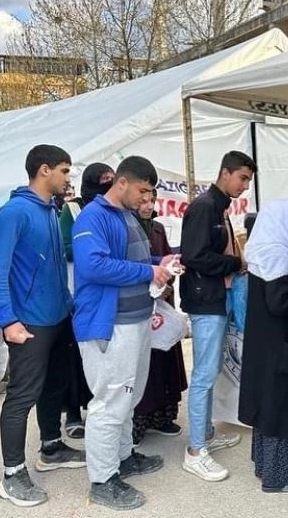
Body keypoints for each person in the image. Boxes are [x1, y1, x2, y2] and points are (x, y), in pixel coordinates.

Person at [0, 144, 85, 508]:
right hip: (28, 322)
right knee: (22, 396)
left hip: (58, 316)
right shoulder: (13, 213)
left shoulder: (51, 210)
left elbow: (53, 265)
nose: (68, 178)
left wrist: (68, 304)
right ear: (45, 170)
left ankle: (51, 447)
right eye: (64, 170)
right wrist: (7, 320)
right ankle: (12, 474)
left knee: (54, 386)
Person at [73, 156, 171, 510]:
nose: (147, 199)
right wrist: (149, 273)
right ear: (122, 182)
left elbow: (135, 262)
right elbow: (92, 265)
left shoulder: (125, 216)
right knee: (109, 402)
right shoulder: (93, 217)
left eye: (151, 193)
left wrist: (160, 264)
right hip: (109, 324)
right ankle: (103, 480)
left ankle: (124, 457)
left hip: (135, 320)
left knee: (129, 396)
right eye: (143, 190)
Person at [179, 150, 255, 482]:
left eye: (248, 180)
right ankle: (195, 451)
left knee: (210, 373)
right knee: (204, 375)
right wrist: (236, 263)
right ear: (225, 173)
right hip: (205, 300)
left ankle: (206, 433)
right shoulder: (204, 207)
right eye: (242, 178)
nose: (245, 185)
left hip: (217, 298)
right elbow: (194, 256)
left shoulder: (220, 206)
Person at [238, 198, 288, 494]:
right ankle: (280, 477)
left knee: (268, 405)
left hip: (263, 343)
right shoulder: (279, 256)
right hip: (283, 343)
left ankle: (265, 465)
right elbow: (281, 303)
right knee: (283, 407)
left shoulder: (259, 250)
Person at [58, 162, 114, 439]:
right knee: (74, 355)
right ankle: (73, 413)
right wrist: (91, 248)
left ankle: (99, 408)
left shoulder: (113, 209)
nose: (109, 183)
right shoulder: (73, 209)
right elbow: (64, 246)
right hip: (78, 289)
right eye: (104, 179)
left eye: (112, 178)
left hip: (106, 290)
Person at [132, 189, 188, 445]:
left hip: (162, 305)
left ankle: (163, 417)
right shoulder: (128, 229)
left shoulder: (157, 228)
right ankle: (140, 422)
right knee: (144, 365)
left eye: (151, 200)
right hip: (140, 306)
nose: (147, 205)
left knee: (165, 360)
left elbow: (167, 262)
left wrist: (167, 282)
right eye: (143, 200)